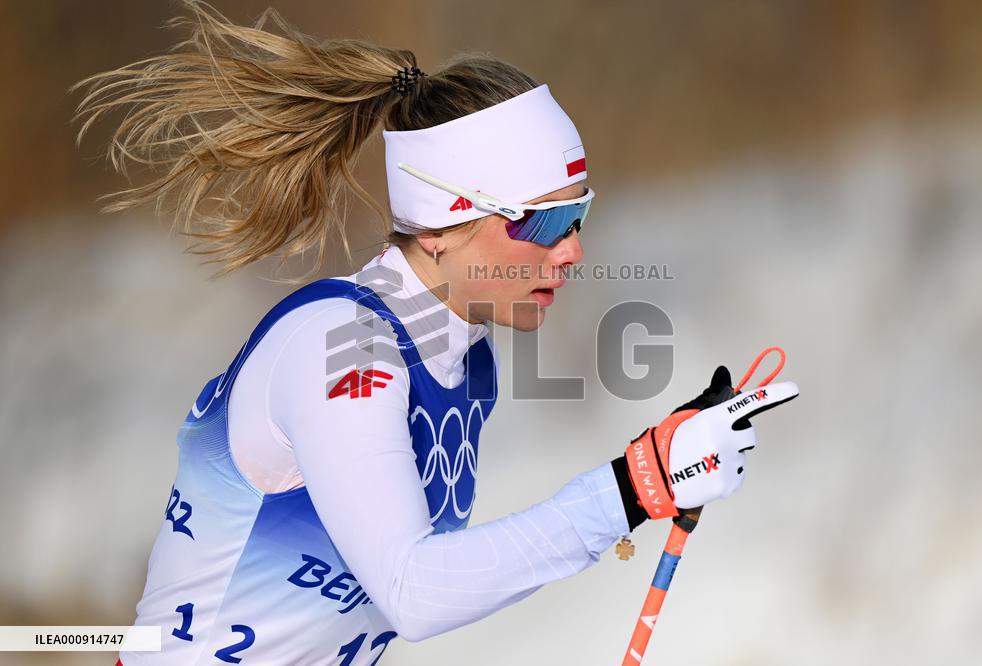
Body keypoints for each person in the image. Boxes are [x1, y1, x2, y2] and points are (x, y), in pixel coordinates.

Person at [73, 2, 799, 664]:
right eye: (542, 220)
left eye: (580, 214)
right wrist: (632, 488)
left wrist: (651, 481)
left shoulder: (466, 363)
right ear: (443, 225)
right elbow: (413, 593)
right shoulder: (347, 348)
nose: (572, 248)